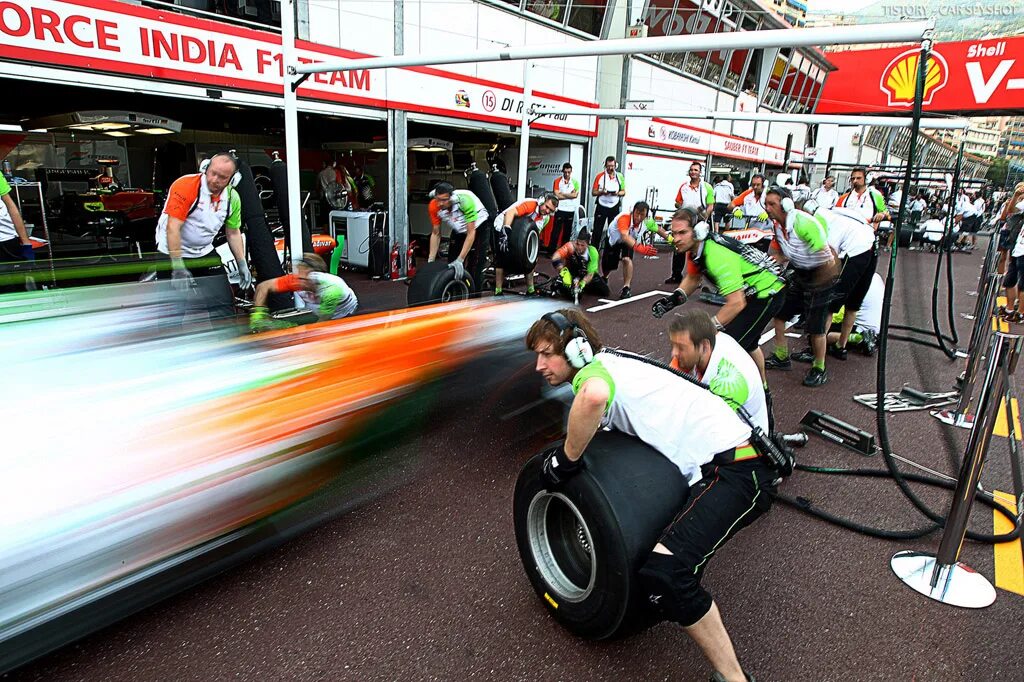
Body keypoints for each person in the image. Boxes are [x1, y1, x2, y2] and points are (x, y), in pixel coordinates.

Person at [527, 309, 772, 682]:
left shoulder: (592, 375)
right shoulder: (611, 361)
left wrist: (565, 459)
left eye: (547, 354)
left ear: (576, 350)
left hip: (740, 471)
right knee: (667, 562)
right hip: (724, 460)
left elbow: (593, 396)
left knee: (668, 574)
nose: (539, 365)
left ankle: (735, 679)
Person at [651, 208, 786, 383]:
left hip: (767, 292)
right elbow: (693, 278)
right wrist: (674, 299)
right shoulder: (697, 249)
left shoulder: (716, 255)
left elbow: (736, 303)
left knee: (726, 347)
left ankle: (731, 396)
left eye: (682, 233)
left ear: (698, 231)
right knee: (749, 343)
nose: (676, 238)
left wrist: (709, 328)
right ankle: (763, 389)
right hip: (757, 291)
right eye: (674, 233)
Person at [155, 153, 249, 320]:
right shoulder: (186, 186)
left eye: (222, 177)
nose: (215, 180)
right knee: (173, 311)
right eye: (212, 173)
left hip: (203, 251)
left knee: (223, 306)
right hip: (172, 250)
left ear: (232, 180)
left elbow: (233, 232)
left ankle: (226, 342)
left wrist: (242, 264)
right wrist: (177, 266)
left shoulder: (232, 198)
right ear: (205, 168)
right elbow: (173, 227)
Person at [763, 186, 838, 387]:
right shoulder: (777, 226)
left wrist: (818, 284)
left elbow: (828, 259)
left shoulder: (804, 224)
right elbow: (782, 254)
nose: (767, 208)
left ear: (786, 204)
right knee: (779, 313)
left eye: (772, 204)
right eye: (766, 203)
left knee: (815, 327)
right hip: (800, 272)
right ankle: (781, 356)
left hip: (821, 274)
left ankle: (819, 368)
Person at [668, 309, 770, 433]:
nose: (674, 353)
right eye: (673, 345)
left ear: (704, 346)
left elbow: (703, 428)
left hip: (747, 442)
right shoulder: (707, 341)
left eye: (681, 347)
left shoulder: (729, 381)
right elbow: (669, 385)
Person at [802, 205, 877, 360]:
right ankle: (840, 346)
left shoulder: (822, 222)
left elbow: (830, 256)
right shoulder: (833, 213)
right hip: (871, 246)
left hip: (855, 251)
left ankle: (815, 352)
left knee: (829, 305)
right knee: (853, 304)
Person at [249, 253, 357, 332]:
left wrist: (282, 329)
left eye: (303, 276)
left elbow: (321, 324)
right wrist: (258, 315)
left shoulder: (332, 289)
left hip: (347, 313)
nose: (298, 280)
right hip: (320, 311)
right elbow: (263, 287)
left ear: (313, 275)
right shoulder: (298, 280)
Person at [494, 193, 558, 296]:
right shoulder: (530, 205)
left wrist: (534, 250)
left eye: (550, 210)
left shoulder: (546, 218)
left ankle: (530, 289)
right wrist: (505, 232)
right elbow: (510, 213)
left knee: (530, 259)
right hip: (504, 224)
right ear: (541, 201)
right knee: (502, 257)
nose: (547, 211)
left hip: (521, 232)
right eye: (547, 207)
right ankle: (498, 291)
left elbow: (535, 232)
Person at [427, 181, 488, 289]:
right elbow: (436, 233)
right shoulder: (434, 205)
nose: (440, 203)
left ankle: (474, 300)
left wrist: (461, 260)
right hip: (459, 229)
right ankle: (454, 294)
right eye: (438, 199)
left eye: (444, 200)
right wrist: (430, 260)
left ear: (451, 198)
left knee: (474, 268)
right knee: (451, 264)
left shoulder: (465, 202)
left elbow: (470, 233)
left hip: (478, 228)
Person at [602, 200, 665, 299]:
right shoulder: (624, 217)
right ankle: (605, 277)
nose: (639, 217)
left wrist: (672, 240)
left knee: (627, 259)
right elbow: (624, 236)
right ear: (633, 211)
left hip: (630, 241)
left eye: (642, 214)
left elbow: (660, 230)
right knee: (609, 265)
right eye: (637, 214)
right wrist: (642, 249)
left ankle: (626, 287)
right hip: (615, 240)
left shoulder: (647, 221)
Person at [667, 162, 715, 284]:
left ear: (700, 172)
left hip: (698, 220)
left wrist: (704, 216)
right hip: (685, 220)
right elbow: (677, 202)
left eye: (696, 170)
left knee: (698, 249)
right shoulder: (683, 187)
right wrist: (681, 207)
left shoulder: (707, 187)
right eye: (691, 170)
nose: (693, 172)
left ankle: (697, 277)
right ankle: (676, 275)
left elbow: (710, 205)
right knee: (679, 246)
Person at [827, 272, 883, 356]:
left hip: (860, 327)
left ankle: (858, 338)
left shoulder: (852, 277)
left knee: (820, 333)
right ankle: (867, 337)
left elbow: (840, 311)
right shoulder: (876, 276)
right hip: (878, 327)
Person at [550, 229, 609, 300]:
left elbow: (590, 274)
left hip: (588, 276)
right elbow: (555, 257)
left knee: (605, 292)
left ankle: (584, 288)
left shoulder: (593, 252)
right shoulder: (570, 246)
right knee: (564, 291)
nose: (579, 247)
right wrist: (563, 271)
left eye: (582, 245)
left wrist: (582, 284)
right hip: (572, 273)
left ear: (587, 245)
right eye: (577, 244)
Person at [590, 156, 625, 250]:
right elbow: (593, 192)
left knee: (613, 230)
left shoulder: (620, 176)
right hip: (602, 205)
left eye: (612, 166)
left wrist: (617, 193)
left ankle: (610, 251)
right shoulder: (600, 176)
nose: (610, 168)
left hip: (614, 206)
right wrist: (602, 192)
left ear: (615, 166)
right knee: (597, 231)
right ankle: (594, 251)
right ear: (605, 165)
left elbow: (624, 192)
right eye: (608, 166)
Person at [549, 162, 580, 252]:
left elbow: (575, 195)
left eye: (568, 172)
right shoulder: (557, 181)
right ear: (562, 171)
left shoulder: (575, 182)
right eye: (565, 172)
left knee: (567, 232)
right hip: (560, 209)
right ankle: (551, 251)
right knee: (556, 231)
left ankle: (564, 251)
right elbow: (556, 195)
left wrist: (563, 194)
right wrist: (569, 194)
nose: (567, 174)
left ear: (571, 172)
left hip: (570, 209)